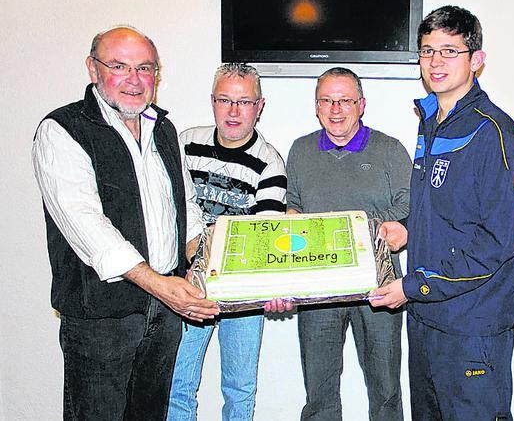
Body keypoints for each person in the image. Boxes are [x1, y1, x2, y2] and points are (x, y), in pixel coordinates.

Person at [31, 26, 220, 421]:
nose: (134, 80)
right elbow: (88, 228)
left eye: (145, 68)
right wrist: (161, 286)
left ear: (156, 74)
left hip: (164, 316)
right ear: (93, 69)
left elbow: (185, 213)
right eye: (119, 66)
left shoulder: (164, 130)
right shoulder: (63, 130)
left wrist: (211, 269)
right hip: (102, 319)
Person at [371, 6, 514, 420]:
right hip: (426, 319)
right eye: (427, 51)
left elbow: (495, 243)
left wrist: (413, 287)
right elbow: (448, 212)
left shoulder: (496, 134)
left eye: (449, 50)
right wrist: (407, 230)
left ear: (476, 60)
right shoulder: (432, 121)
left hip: (471, 326)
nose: (436, 62)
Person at [279, 67, 410, 421]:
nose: (336, 109)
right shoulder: (301, 150)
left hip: (378, 287)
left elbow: (411, 207)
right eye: (327, 101)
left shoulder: (390, 150)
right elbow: (294, 205)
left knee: (385, 391)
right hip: (317, 287)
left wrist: (392, 227)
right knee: (319, 393)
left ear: (361, 105)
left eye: (345, 101)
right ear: (316, 106)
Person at [167, 63, 287, 420]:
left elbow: (264, 238)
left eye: (244, 102)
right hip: (186, 287)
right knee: (177, 386)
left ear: (259, 106)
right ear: (212, 101)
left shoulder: (270, 164)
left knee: (240, 391)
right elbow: (168, 208)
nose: (233, 111)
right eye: (225, 100)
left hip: (242, 290)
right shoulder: (185, 143)